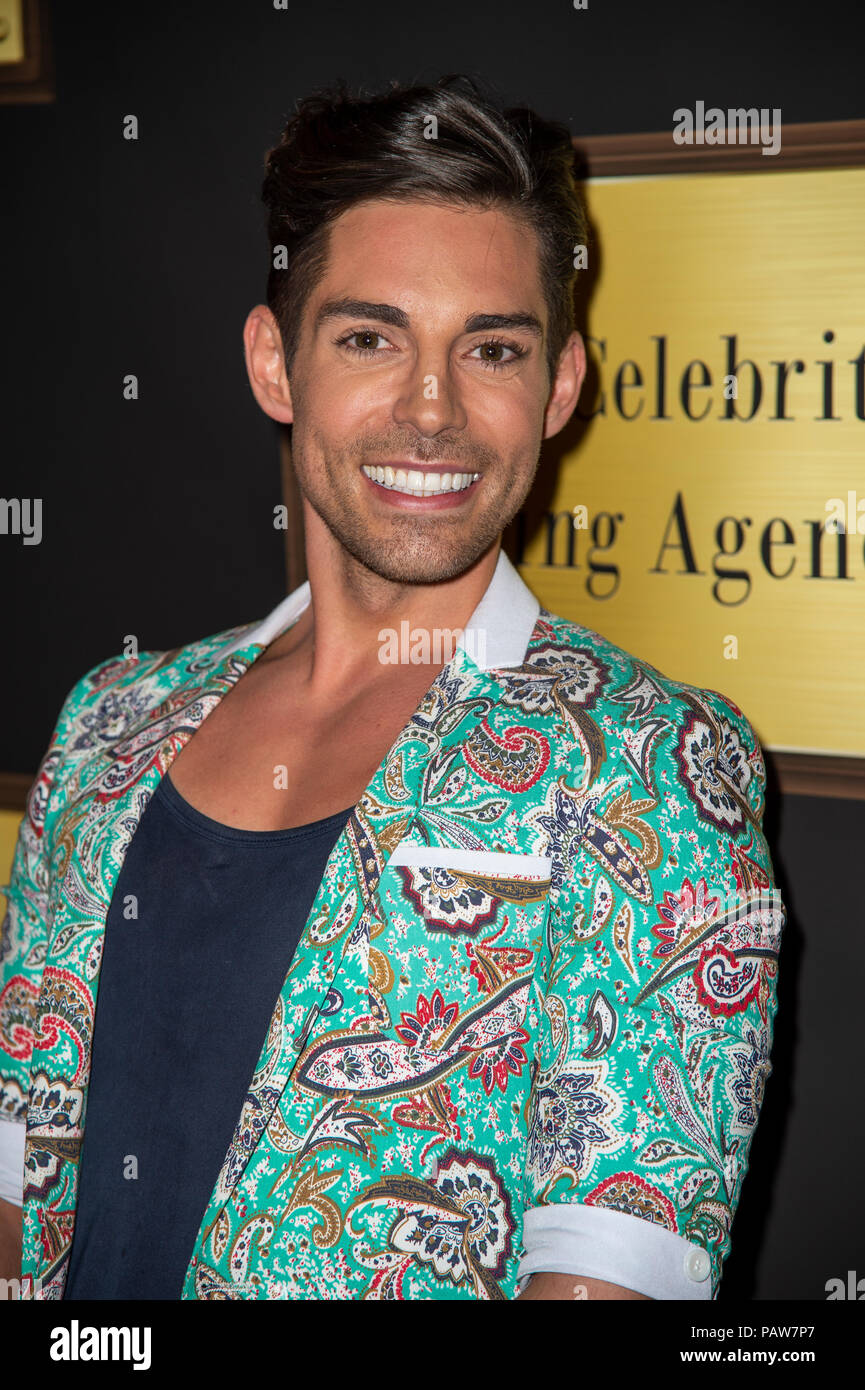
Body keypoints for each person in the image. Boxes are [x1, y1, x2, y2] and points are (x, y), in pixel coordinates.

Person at [0, 74, 784, 1301]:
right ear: (276, 365)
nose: (432, 409)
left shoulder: (651, 770)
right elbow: (18, 1157)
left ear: (559, 386)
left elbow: (619, 1265)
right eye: (370, 338)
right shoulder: (112, 721)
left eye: (491, 349)